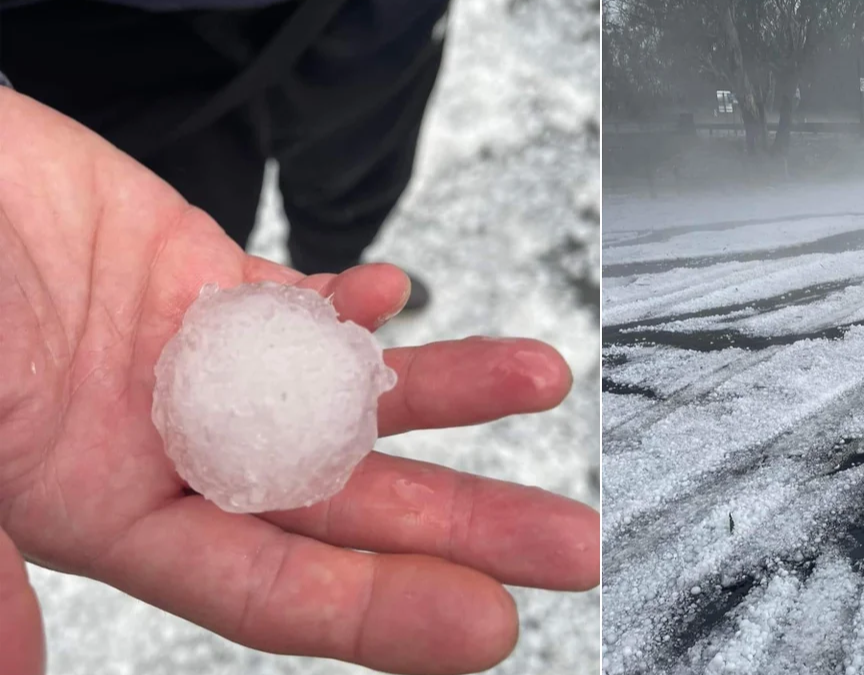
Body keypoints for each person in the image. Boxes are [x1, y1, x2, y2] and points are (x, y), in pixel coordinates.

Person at [0, 36, 599, 675]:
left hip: (365, 26)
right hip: (110, 39)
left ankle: (335, 247)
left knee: (354, 166)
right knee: (187, 186)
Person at [0, 0, 443, 309]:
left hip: (380, 18)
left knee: (354, 168)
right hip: (94, 30)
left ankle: (335, 270)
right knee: (178, 263)